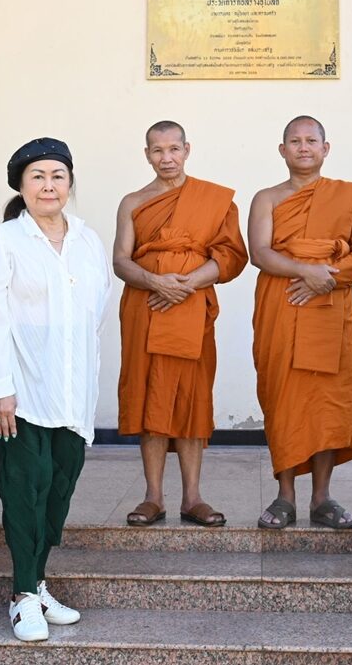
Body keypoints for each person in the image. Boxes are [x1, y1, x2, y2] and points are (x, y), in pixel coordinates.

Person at [0, 138, 112, 642]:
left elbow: (94, 315)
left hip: (72, 395)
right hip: (23, 396)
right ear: (22, 186)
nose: (48, 184)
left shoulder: (88, 240)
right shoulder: (5, 242)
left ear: (70, 182)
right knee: (23, 494)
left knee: (59, 492)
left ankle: (38, 582)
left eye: (57, 175)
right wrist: (1, 391)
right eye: (38, 176)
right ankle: (21, 596)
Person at [114, 121, 248, 528]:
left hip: (192, 310)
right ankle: (153, 496)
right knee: (149, 396)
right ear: (146, 154)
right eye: (157, 150)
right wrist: (155, 281)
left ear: (187, 149)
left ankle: (193, 497)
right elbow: (121, 260)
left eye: (174, 149)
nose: (166, 158)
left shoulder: (214, 199)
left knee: (191, 400)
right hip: (145, 308)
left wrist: (186, 284)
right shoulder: (133, 201)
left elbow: (230, 255)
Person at [250, 115, 352, 530]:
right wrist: (305, 272)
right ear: (282, 150)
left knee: (327, 402)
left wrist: (326, 281)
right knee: (284, 397)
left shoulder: (351, 195)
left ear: (326, 148)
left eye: (311, 140)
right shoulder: (266, 198)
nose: (303, 147)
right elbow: (260, 253)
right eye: (295, 141)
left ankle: (322, 498)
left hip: (330, 306)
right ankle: (285, 497)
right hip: (283, 304)